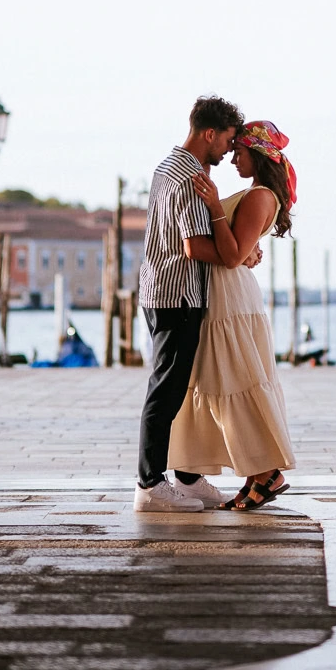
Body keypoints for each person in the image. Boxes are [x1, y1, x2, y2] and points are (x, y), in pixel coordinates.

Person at [169, 120, 299, 510]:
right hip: (223, 295)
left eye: (239, 152)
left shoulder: (260, 195)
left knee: (237, 379)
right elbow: (240, 251)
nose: (233, 158)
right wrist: (243, 248)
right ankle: (256, 473)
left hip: (231, 300)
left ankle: (266, 472)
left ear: (257, 155)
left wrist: (214, 207)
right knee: (226, 380)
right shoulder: (254, 193)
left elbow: (232, 254)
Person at [132, 95, 250, 512]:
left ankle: (184, 475)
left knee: (181, 386)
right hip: (178, 294)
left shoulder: (169, 165)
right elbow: (195, 245)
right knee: (166, 389)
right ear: (209, 133)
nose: (229, 150)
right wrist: (239, 254)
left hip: (159, 290)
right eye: (228, 141)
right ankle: (149, 485)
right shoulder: (190, 178)